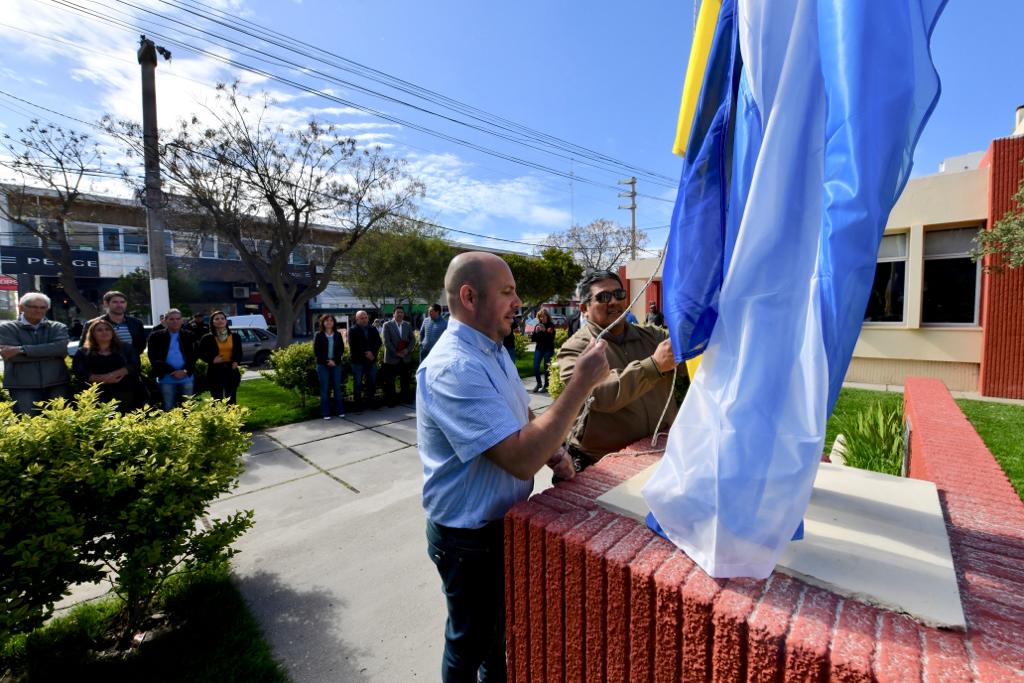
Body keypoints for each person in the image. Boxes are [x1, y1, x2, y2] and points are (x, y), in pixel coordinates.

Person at [418, 252, 610, 683]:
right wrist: (580, 383)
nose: (518, 301)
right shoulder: (454, 367)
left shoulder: (493, 348)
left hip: (498, 528)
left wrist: (557, 456)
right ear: (469, 296)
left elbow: (518, 415)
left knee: (498, 638)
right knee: (468, 644)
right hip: (468, 540)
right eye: (507, 292)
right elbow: (519, 457)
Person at [557, 269, 680, 470]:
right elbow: (600, 395)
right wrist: (654, 366)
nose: (614, 301)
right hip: (605, 465)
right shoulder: (575, 350)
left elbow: (692, 360)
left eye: (619, 294)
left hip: (659, 453)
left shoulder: (651, 336)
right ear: (584, 308)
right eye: (603, 297)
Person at [0, 293, 70, 415]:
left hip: (56, 384)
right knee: (29, 426)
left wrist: (21, 350)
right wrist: (49, 353)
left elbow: (60, 349)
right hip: (23, 387)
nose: (38, 310)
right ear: (21, 307)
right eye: (34, 307)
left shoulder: (57, 327)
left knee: (60, 426)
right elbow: (11, 356)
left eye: (43, 307)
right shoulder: (6, 328)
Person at [71, 318, 146, 413]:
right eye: (99, 330)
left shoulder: (126, 348)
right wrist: (103, 379)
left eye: (107, 329)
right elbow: (79, 371)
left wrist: (113, 375)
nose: (104, 332)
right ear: (92, 333)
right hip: (96, 394)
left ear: (112, 332)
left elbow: (134, 365)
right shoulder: (83, 352)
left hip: (126, 392)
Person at [146, 309, 198, 411]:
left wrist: (185, 370)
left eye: (178, 319)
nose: (175, 321)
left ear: (182, 320)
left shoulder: (189, 335)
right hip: (166, 377)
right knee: (168, 406)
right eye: (172, 319)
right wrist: (172, 371)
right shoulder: (155, 336)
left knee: (188, 408)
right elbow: (153, 357)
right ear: (165, 320)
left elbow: (194, 355)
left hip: (186, 376)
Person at [197, 310, 242, 404]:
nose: (220, 320)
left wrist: (236, 361)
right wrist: (212, 360)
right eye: (216, 319)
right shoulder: (207, 338)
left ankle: (232, 418)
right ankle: (219, 418)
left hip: (231, 370)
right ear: (212, 322)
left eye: (222, 318)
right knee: (217, 400)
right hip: (215, 371)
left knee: (231, 399)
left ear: (226, 321)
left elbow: (239, 352)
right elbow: (200, 353)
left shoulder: (235, 336)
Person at [83, 290, 148, 355]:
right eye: (115, 302)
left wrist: (132, 359)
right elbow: (84, 347)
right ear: (106, 303)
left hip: (129, 363)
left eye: (122, 302)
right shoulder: (92, 324)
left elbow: (141, 346)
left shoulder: (136, 323)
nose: (119, 305)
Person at [313, 313, 346, 419]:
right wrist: (328, 361)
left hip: (336, 364)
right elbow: (317, 351)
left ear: (333, 322)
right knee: (325, 388)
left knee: (337, 387)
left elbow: (341, 349)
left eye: (331, 320)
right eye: (326, 320)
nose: (329, 322)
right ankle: (325, 413)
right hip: (323, 365)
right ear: (323, 322)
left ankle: (339, 411)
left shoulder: (337, 335)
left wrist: (334, 361)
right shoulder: (318, 335)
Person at [348, 310, 382, 412]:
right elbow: (353, 345)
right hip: (358, 362)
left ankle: (371, 402)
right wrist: (367, 353)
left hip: (371, 361)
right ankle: (357, 405)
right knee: (357, 383)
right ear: (357, 319)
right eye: (361, 318)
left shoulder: (372, 328)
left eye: (365, 317)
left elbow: (378, 342)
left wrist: (372, 353)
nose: (364, 319)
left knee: (371, 382)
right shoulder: (353, 330)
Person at [382, 305, 415, 407]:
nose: (400, 314)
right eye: (398, 312)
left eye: (401, 312)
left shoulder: (407, 325)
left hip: (405, 357)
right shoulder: (387, 325)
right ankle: (391, 401)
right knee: (390, 381)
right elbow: (386, 341)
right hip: (392, 358)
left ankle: (405, 398)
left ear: (403, 314)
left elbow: (412, 340)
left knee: (405, 380)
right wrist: (396, 353)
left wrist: (407, 350)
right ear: (394, 314)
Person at [530, 308, 557, 393]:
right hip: (539, 349)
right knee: (535, 367)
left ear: (547, 317)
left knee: (546, 368)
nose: (542, 318)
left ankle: (546, 385)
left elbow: (551, 339)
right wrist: (536, 332)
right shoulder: (537, 325)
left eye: (543, 316)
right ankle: (539, 383)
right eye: (540, 317)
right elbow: (533, 339)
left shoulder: (551, 326)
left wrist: (545, 331)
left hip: (548, 349)